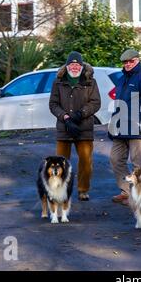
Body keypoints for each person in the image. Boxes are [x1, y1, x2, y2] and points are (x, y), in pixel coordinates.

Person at [49, 51, 101, 201]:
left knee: (85, 161)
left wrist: (80, 114)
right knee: (59, 163)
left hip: (83, 127)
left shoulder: (90, 81)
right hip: (64, 128)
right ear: (67, 66)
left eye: (77, 64)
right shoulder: (58, 81)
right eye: (71, 64)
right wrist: (65, 117)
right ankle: (59, 190)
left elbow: (95, 102)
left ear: (82, 65)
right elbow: (53, 104)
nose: (74, 66)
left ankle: (83, 190)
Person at [109, 48, 141, 206]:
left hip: (137, 127)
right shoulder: (121, 79)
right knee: (115, 159)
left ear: (137, 60)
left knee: (138, 164)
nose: (128, 64)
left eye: (131, 61)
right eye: (125, 62)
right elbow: (118, 105)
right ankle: (127, 191)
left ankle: (139, 196)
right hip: (120, 127)